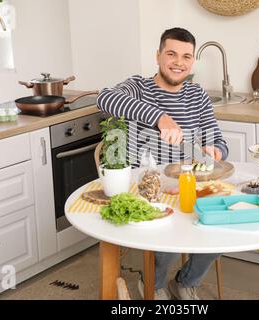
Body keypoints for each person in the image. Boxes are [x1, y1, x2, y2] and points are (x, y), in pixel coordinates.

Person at [96, 27, 229, 300]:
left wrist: (215, 150)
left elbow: (218, 140)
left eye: (186, 56)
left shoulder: (198, 96)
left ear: (192, 61)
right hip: (146, 187)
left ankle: (186, 281)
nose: (178, 62)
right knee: (166, 235)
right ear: (158, 56)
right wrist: (160, 118)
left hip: (187, 183)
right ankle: (153, 285)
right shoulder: (138, 87)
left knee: (220, 224)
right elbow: (104, 98)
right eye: (171, 54)